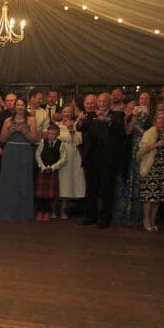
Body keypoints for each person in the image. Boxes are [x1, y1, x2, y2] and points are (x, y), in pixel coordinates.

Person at [79, 93, 126, 228]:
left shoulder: (117, 115)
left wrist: (107, 120)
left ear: (110, 102)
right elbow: (80, 128)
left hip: (108, 159)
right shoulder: (91, 115)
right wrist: (81, 120)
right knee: (91, 189)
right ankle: (90, 216)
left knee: (107, 190)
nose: (102, 103)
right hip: (92, 158)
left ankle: (105, 218)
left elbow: (119, 129)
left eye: (105, 101)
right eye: (99, 101)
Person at [114, 91, 152, 227]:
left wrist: (140, 129)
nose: (144, 101)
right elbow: (127, 132)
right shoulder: (132, 116)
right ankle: (124, 216)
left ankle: (139, 217)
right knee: (127, 181)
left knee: (140, 184)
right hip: (130, 152)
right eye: (142, 98)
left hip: (146, 152)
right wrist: (134, 117)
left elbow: (153, 135)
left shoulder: (152, 117)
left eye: (146, 98)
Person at [0, 97, 38, 221]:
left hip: (25, 151)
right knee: (10, 182)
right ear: (14, 107)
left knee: (23, 180)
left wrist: (23, 130)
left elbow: (34, 139)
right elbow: (2, 140)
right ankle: (8, 212)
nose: (19, 107)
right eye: (17, 105)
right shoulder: (8, 120)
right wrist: (10, 131)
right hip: (10, 152)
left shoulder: (31, 120)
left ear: (25, 106)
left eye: (22, 105)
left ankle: (23, 212)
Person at [138, 108, 164, 232]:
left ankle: (153, 219)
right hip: (151, 168)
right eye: (159, 118)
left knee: (158, 198)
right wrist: (156, 145)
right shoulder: (150, 132)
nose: (161, 120)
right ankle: (146, 219)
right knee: (149, 197)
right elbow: (140, 152)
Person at [55, 103, 85, 218]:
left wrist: (71, 129)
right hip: (60, 156)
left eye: (69, 112)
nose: (67, 114)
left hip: (73, 156)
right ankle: (57, 208)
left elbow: (78, 140)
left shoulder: (77, 124)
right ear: (61, 113)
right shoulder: (56, 125)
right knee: (60, 182)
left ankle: (66, 208)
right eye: (65, 111)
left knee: (70, 182)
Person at [34, 123, 66, 221]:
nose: (51, 136)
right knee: (40, 195)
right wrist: (42, 166)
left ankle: (47, 212)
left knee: (49, 195)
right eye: (49, 134)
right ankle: (40, 212)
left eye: (53, 134)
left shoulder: (61, 144)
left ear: (58, 134)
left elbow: (63, 158)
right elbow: (38, 155)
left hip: (52, 171)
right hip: (43, 170)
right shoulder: (43, 142)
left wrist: (53, 167)